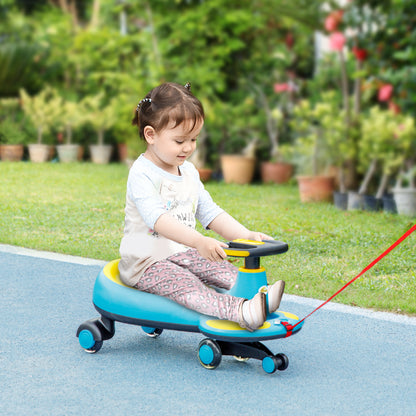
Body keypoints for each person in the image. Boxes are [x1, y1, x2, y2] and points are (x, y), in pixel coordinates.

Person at [119, 82, 285, 331]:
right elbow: (157, 219)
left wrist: (246, 235)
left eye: (193, 139)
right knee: (186, 283)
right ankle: (239, 311)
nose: (188, 147)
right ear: (150, 135)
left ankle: (256, 297)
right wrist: (198, 241)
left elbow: (209, 211)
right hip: (147, 262)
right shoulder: (142, 173)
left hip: (181, 252)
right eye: (179, 140)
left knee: (221, 267)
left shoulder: (187, 171)